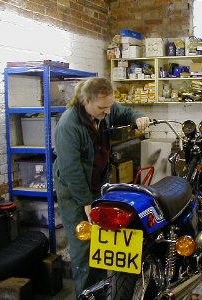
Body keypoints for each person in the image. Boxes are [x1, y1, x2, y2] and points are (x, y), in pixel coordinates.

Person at [53, 77, 150, 297]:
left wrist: (139, 117)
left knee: (101, 243)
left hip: (98, 188)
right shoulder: (69, 125)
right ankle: (87, 294)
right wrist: (86, 203)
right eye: (102, 108)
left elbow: (124, 112)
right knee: (84, 248)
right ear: (86, 100)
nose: (107, 112)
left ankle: (102, 290)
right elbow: (71, 171)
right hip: (75, 194)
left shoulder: (103, 110)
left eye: (109, 107)